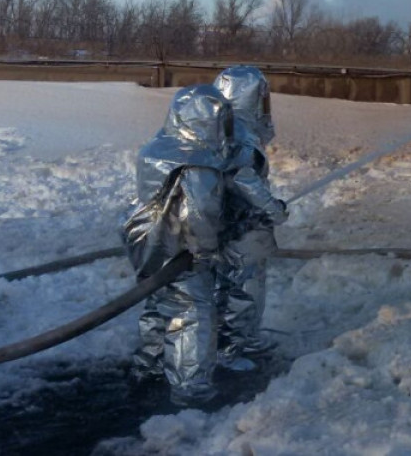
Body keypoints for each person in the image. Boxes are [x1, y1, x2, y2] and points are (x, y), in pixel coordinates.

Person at [121, 84, 233, 406]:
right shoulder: (198, 161)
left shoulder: (157, 148)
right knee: (193, 312)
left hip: (149, 245)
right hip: (179, 250)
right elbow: (201, 212)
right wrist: (208, 248)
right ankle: (191, 390)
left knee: (158, 303)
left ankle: (151, 364)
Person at [212, 65, 288, 371]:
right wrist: (271, 207)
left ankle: (241, 338)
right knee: (243, 286)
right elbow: (243, 178)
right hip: (242, 227)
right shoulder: (241, 135)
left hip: (233, 225)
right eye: (262, 97)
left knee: (235, 283)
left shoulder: (226, 128)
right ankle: (232, 347)